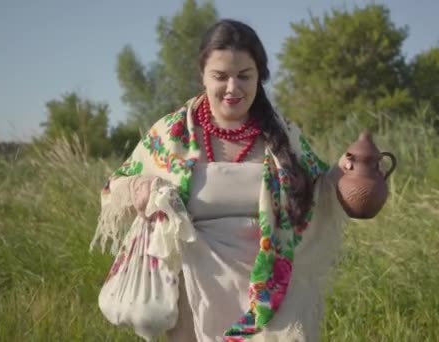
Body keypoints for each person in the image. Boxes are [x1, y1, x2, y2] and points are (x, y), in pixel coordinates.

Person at [91, 19, 352, 342]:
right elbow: (116, 184)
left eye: (244, 76)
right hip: (191, 286)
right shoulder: (171, 134)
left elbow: (321, 186)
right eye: (220, 76)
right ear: (202, 75)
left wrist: (350, 171)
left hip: (268, 290)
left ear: (260, 77)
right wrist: (140, 190)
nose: (233, 88)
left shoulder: (282, 136)